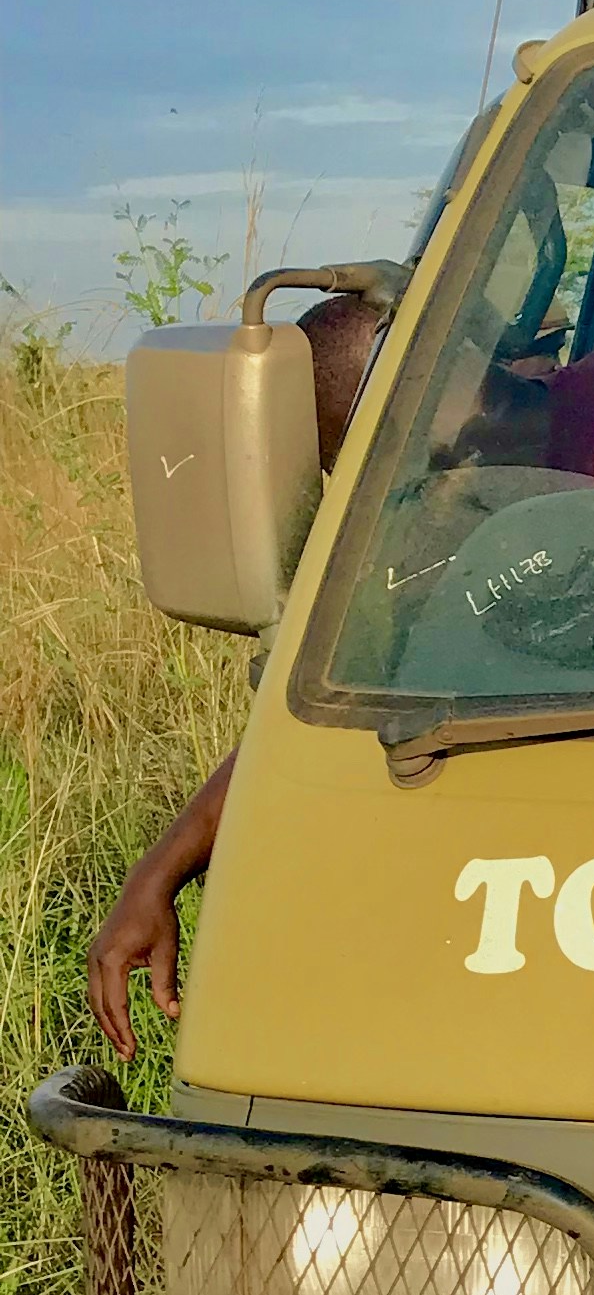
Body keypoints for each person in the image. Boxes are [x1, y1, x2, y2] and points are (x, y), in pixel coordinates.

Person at [86, 286, 392, 1059]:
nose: (367, 491)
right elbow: (325, 713)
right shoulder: (406, 546)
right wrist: (159, 871)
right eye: (343, 468)